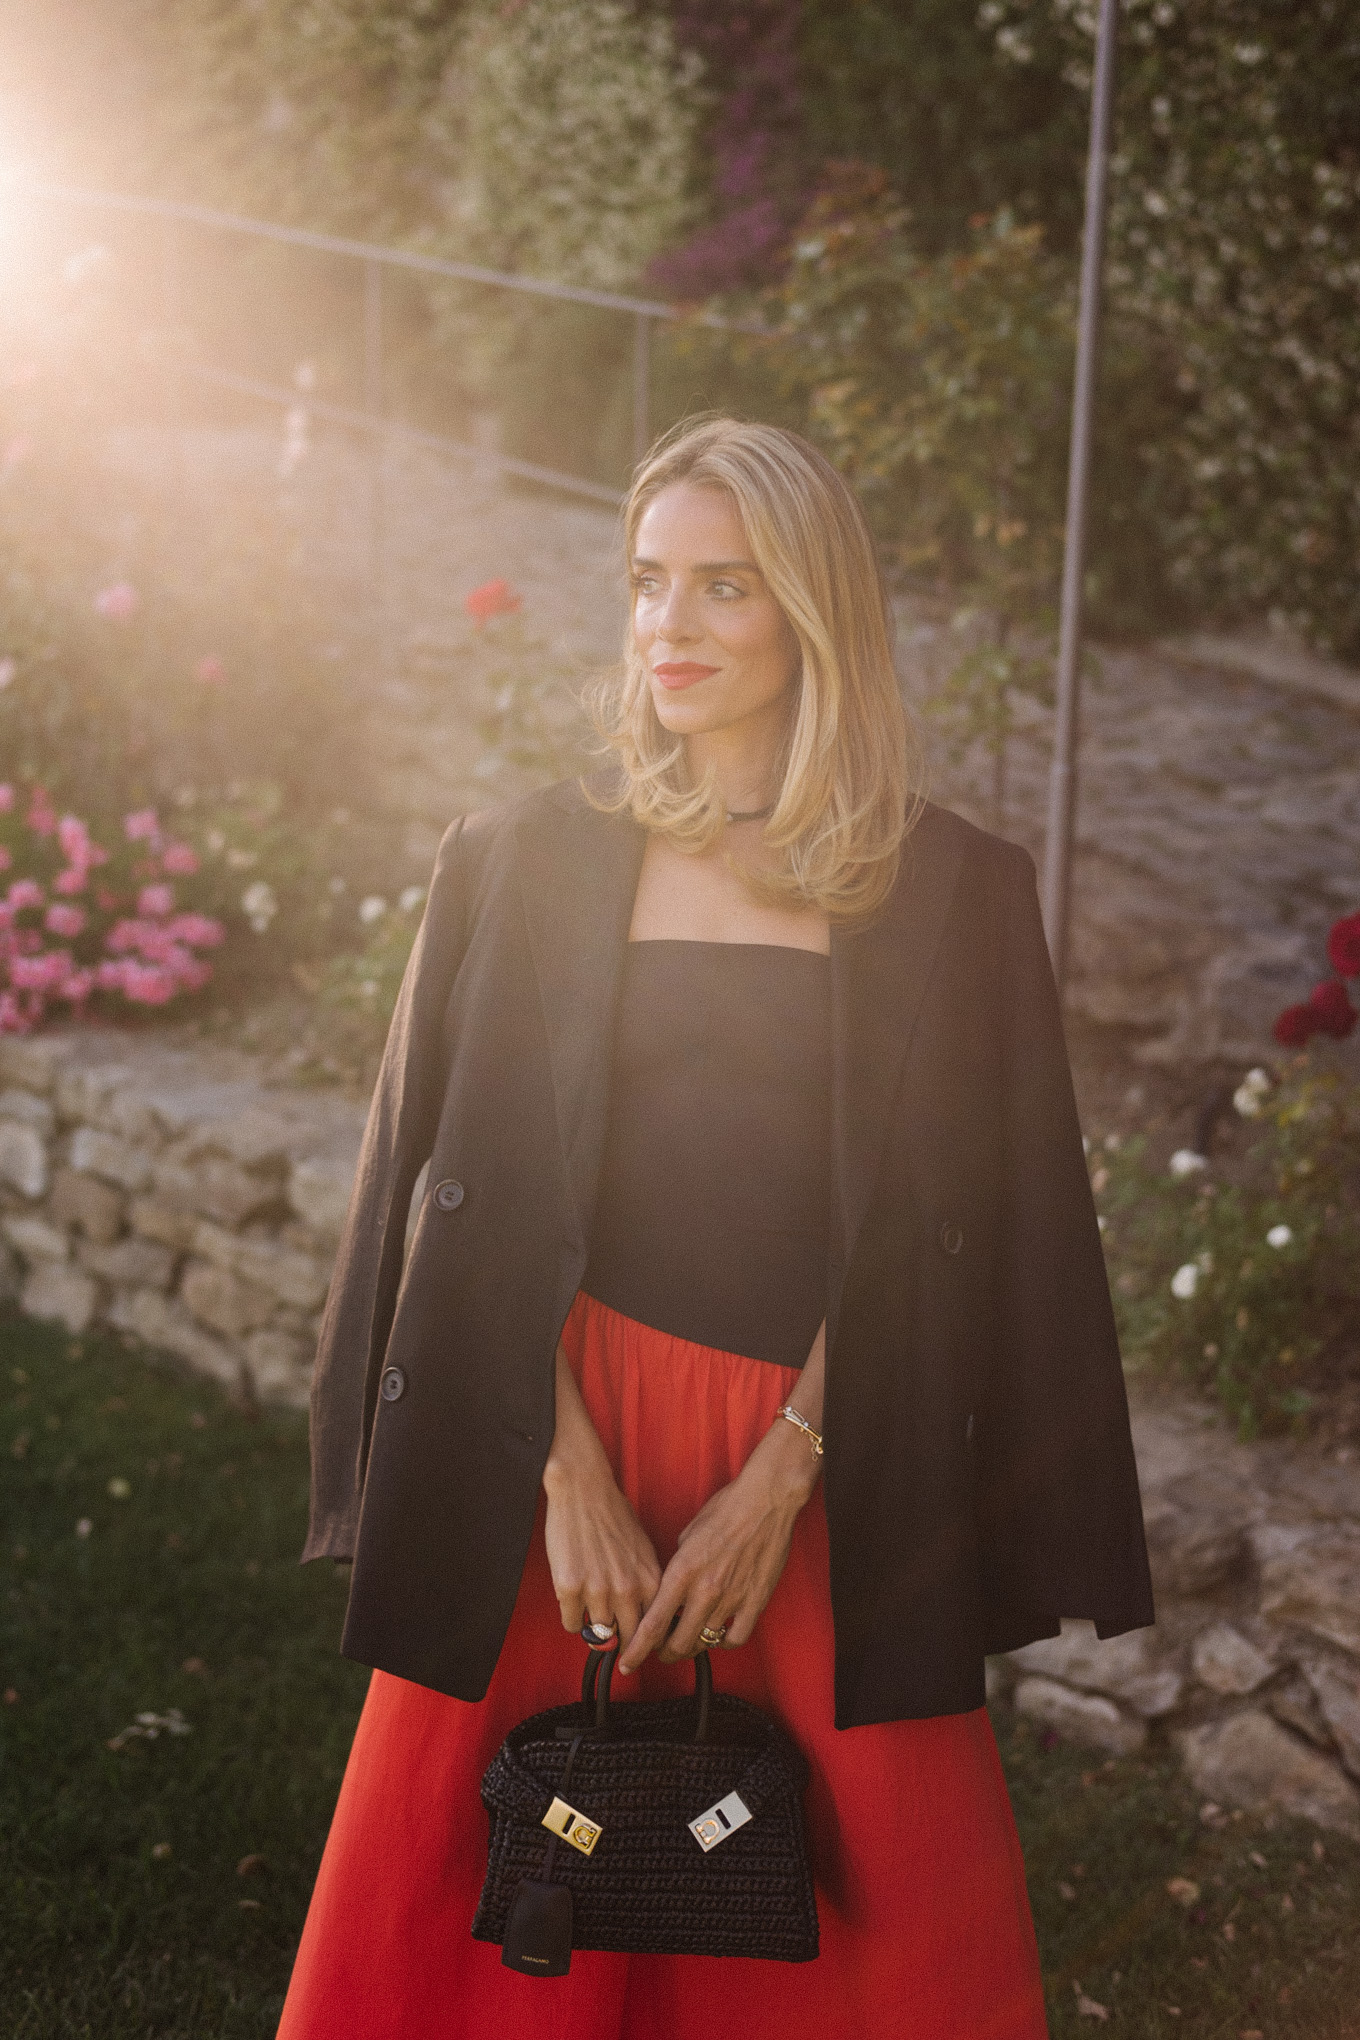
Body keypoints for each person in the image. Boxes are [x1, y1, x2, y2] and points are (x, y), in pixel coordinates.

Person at [278, 416, 1153, 2040]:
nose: (668, 627)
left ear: (813, 612)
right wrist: (566, 1477)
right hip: (565, 1442)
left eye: (725, 588)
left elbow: (949, 1218)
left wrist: (785, 1471)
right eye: (646, 583)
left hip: (830, 1456)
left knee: (894, 1937)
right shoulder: (519, 861)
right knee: (481, 1932)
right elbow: (454, 1199)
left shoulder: (949, 892)